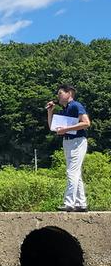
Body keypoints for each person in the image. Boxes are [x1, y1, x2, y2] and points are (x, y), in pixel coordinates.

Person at [47, 84, 91, 212]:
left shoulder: (76, 106)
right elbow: (53, 127)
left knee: (72, 172)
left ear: (69, 93)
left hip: (77, 141)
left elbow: (86, 123)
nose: (58, 96)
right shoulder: (65, 109)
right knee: (75, 172)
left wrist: (66, 129)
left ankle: (69, 203)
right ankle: (81, 203)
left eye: (60, 93)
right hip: (68, 142)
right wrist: (50, 112)